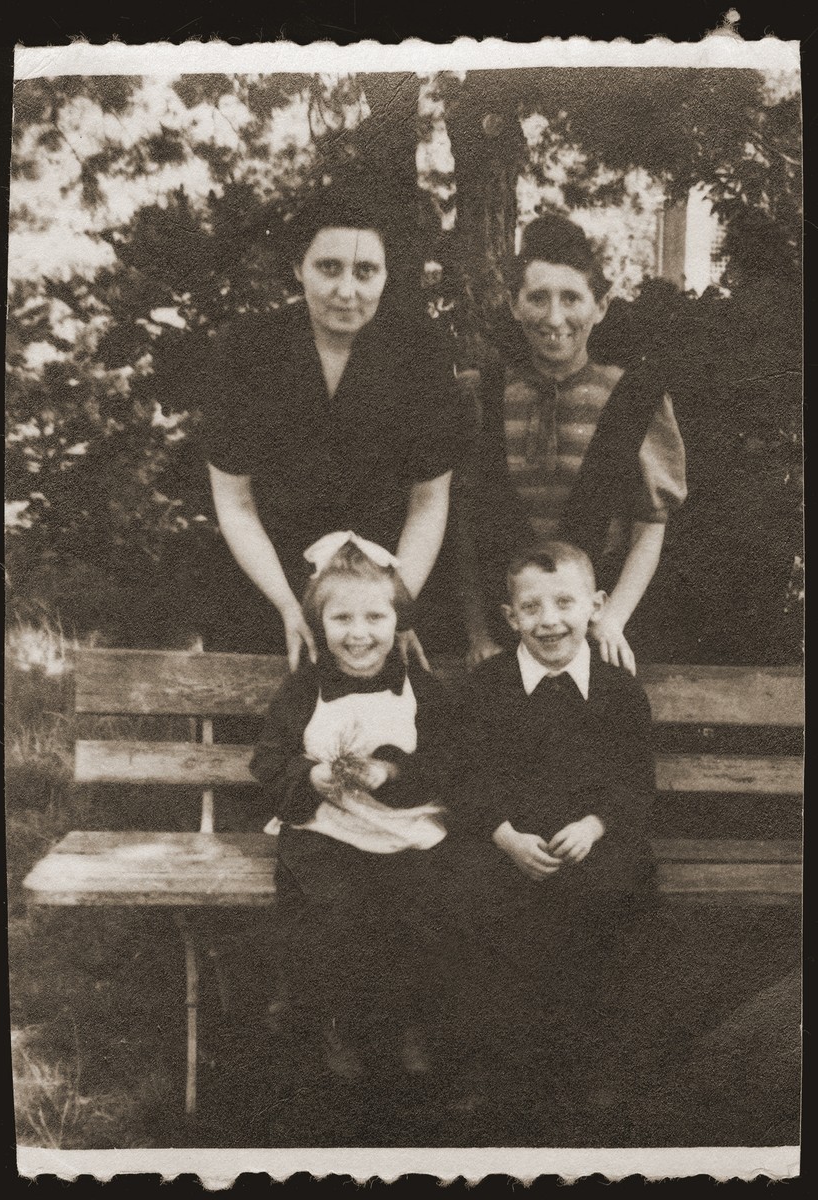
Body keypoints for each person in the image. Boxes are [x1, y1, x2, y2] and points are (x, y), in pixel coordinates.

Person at [203, 170, 461, 668]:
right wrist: (286, 605)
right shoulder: (246, 350)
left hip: (387, 602)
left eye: (366, 271)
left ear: (387, 273)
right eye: (329, 267)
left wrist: (395, 607)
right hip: (267, 593)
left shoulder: (422, 353)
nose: (347, 291)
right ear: (299, 268)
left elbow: (428, 502)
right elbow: (235, 501)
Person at [450, 541, 656, 1109]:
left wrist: (594, 824)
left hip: (593, 842)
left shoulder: (618, 691)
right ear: (510, 616)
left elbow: (635, 781)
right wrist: (502, 834)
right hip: (508, 841)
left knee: (612, 900)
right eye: (532, 608)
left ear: (596, 605)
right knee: (475, 900)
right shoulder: (486, 688)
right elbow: (463, 774)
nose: (549, 621)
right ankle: (493, 1068)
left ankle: (595, 1063)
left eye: (564, 602)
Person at [249, 534, 454, 1080]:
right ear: (319, 623)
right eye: (341, 619)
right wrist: (311, 775)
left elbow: (451, 759)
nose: (359, 634)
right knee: (331, 914)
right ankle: (332, 1023)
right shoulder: (303, 689)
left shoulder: (421, 690)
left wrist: (390, 770)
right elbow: (268, 762)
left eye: (374, 618)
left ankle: (409, 1023)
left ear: (398, 621)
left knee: (421, 911)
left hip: (404, 827)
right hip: (328, 827)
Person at [459, 212, 687, 674]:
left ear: (600, 306)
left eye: (571, 298)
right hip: (505, 632)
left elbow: (650, 525)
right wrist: (478, 634)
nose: (554, 317)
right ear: (514, 304)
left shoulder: (633, 397)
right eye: (538, 298)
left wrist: (612, 620)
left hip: (600, 628)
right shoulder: (480, 395)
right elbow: (462, 524)